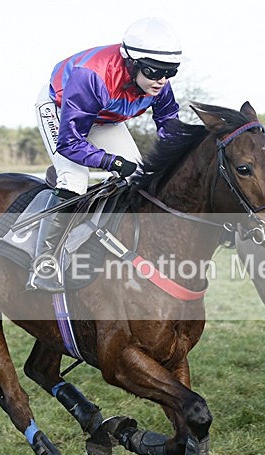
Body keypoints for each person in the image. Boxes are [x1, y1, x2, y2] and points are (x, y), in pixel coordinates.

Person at [29, 17, 182, 289]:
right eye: (153, 72)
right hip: (61, 110)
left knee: (138, 179)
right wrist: (111, 161)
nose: (161, 81)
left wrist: (174, 159)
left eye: (169, 72)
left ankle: (113, 246)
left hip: (103, 117)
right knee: (73, 179)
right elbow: (70, 142)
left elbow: (169, 121)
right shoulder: (92, 75)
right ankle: (45, 262)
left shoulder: (158, 81)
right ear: (132, 63)